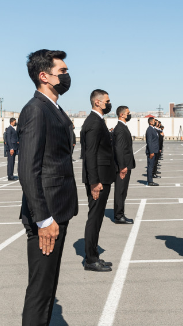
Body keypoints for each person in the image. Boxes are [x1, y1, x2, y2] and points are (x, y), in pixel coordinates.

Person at [18, 49, 79, 326]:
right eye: (62, 71)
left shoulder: (53, 108)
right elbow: (29, 170)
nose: (67, 76)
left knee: (49, 284)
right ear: (44, 76)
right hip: (47, 216)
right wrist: (43, 220)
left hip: (59, 209)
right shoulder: (35, 110)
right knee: (40, 291)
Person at [80, 89, 116, 273]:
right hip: (98, 180)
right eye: (107, 101)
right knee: (94, 219)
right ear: (97, 102)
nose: (109, 104)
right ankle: (91, 259)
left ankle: (93, 255)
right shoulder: (94, 123)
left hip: (102, 177)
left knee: (97, 218)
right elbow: (90, 154)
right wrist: (94, 182)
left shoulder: (97, 121)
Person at [113, 106, 135, 224]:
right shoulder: (120, 129)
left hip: (125, 165)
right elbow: (119, 149)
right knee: (120, 191)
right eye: (128, 113)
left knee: (123, 191)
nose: (129, 114)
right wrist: (122, 167)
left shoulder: (122, 127)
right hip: (123, 166)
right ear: (122, 115)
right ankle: (118, 216)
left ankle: (120, 213)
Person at [145, 117, 159, 186]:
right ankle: (150, 181)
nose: (155, 122)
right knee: (150, 166)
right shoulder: (149, 130)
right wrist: (151, 152)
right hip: (152, 151)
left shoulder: (153, 129)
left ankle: (150, 180)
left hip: (154, 151)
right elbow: (149, 142)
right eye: (154, 121)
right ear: (150, 122)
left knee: (152, 166)